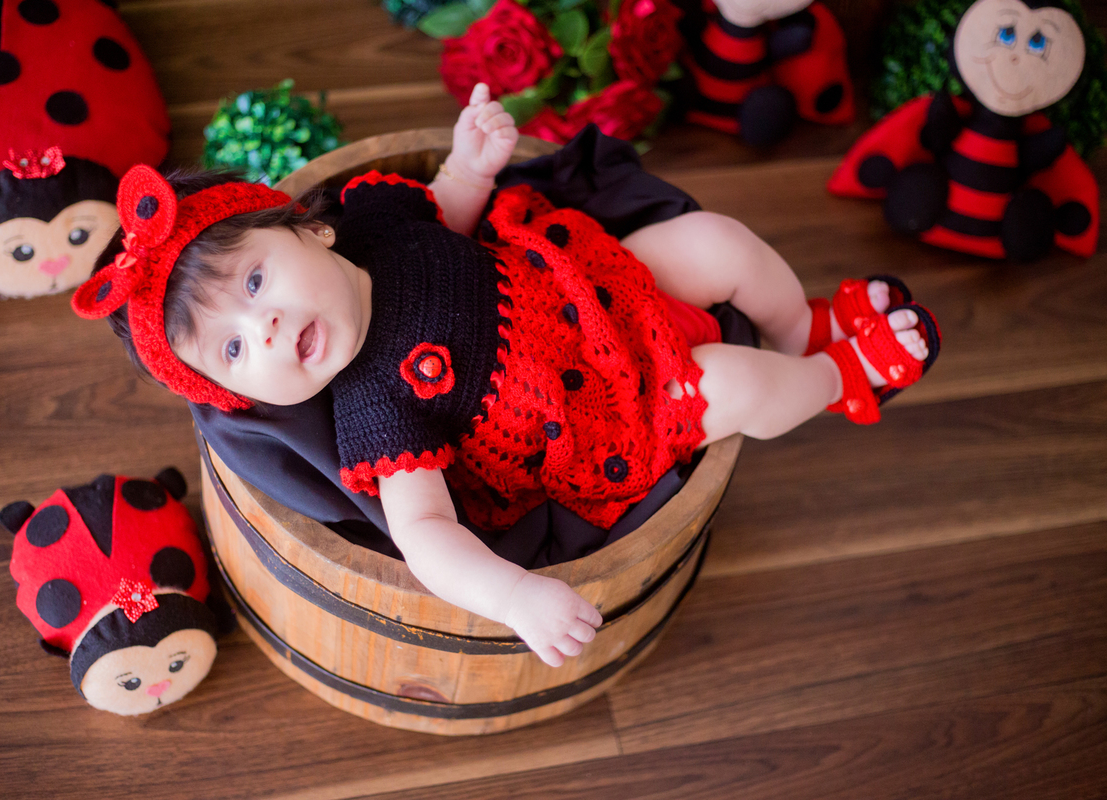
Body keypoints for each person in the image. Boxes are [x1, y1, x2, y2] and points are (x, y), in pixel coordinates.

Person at [74, 83, 939, 668]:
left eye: (256, 282)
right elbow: (427, 538)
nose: (260, 327)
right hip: (598, 412)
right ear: (243, 395)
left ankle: (801, 326)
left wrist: (472, 164)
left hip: (591, 287)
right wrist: (515, 596)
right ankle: (838, 377)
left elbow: (447, 210)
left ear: (312, 231)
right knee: (737, 387)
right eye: (231, 353)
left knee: (716, 243)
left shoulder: (377, 222)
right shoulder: (376, 411)